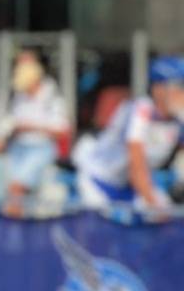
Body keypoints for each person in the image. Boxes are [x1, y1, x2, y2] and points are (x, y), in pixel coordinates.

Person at [73, 55, 184, 213]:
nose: (183, 92)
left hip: (129, 187)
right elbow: (136, 167)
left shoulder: (178, 116)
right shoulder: (140, 110)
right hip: (99, 183)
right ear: (159, 89)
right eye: (179, 85)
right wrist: (157, 207)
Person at [0, 48, 72, 208]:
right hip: (17, 148)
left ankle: (13, 228)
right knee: (3, 191)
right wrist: (2, 136)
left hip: (41, 149)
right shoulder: (14, 93)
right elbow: (4, 121)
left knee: (16, 188)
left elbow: (63, 130)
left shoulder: (52, 95)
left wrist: (31, 127)